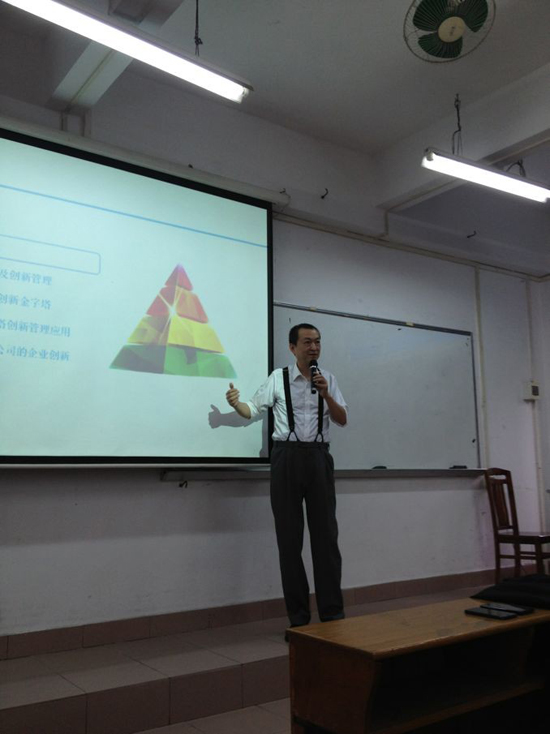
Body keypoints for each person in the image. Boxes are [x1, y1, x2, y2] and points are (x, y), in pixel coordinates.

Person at [225, 323, 347, 631]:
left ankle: (332, 616)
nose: (314, 347)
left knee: (326, 540)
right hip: (286, 458)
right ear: (292, 348)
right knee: (289, 543)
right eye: (307, 342)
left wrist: (326, 394)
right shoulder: (277, 379)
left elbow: (342, 419)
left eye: (317, 342)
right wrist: (236, 403)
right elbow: (251, 409)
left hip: (319, 457)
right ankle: (299, 621)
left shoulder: (328, 378)